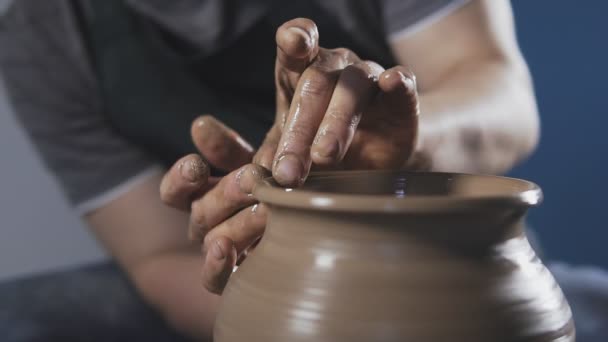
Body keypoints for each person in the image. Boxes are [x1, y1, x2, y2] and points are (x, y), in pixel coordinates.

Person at [0, 0, 546, 340]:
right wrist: (291, 305)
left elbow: (503, 95)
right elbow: (160, 256)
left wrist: (403, 148)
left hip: (448, 264)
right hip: (248, 281)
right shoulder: (40, 36)